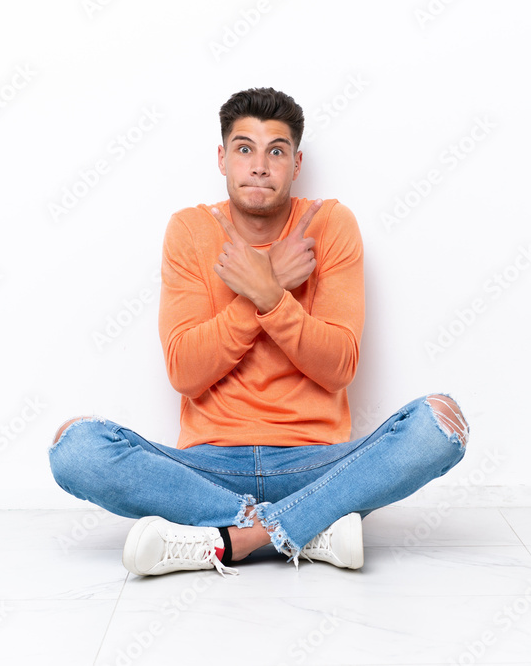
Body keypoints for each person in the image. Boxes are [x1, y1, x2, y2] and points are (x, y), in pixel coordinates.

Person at [48, 87, 469, 577]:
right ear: (223, 159)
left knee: (441, 423)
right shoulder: (188, 229)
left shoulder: (330, 223)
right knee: (74, 447)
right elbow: (185, 372)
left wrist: (269, 295)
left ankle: (235, 539)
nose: (260, 165)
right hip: (207, 469)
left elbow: (338, 369)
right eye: (245, 148)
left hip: (317, 464)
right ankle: (309, 530)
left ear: (296, 162)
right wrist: (266, 288)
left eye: (277, 151)